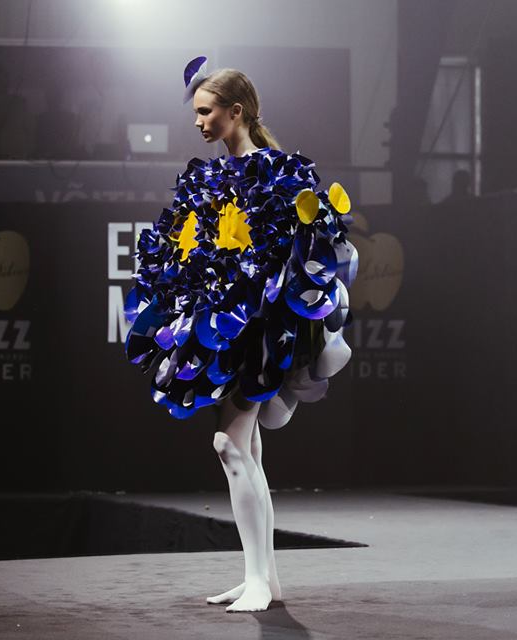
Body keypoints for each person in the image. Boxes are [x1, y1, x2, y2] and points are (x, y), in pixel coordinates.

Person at [123, 60, 358, 612]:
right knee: (246, 447)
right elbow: (185, 251)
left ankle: (257, 578)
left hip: (260, 330)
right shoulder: (207, 178)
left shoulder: (279, 171)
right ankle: (264, 580)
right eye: (197, 112)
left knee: (229, 444)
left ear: (236, 112)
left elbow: (309, 250)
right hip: (221, 328)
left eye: (206, 111)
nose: (198, 121)